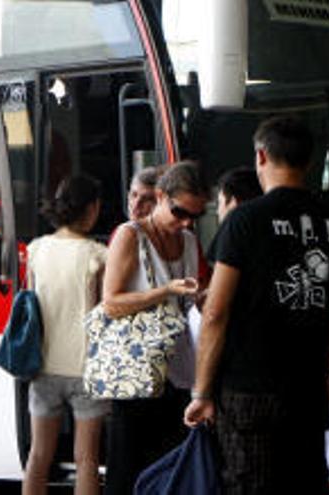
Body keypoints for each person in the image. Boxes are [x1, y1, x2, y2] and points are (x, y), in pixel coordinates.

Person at [185, 116, 329, 494]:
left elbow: (216, 312)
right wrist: (323, 368)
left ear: (261, 155)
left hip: (248, 391)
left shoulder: (244, 220)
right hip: (308, 389)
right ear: (309, 161)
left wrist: (201, 393)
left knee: (249, 484)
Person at [101, 161, 207, 495]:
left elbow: (194, 298)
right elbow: (111, 303)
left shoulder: (188, 241)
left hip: (178, 371)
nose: (186, 222)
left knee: (170, 467)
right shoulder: (130, 235)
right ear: (160, 196)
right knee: (127, 467)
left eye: (195, 216)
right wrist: (168, 290)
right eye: (179, 212)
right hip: (136, 370)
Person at [22, 175, 109, 495]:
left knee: (39, 455)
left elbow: (30, 305)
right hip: (86, 370)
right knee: (86, 459)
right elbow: (105, 309)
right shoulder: (98, 254)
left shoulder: (36, 250)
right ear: (91, 208)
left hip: (42, 367)